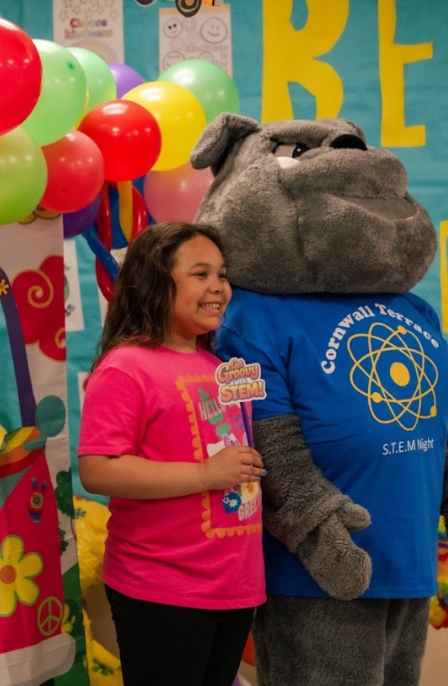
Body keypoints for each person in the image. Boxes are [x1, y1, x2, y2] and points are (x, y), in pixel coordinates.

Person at [77, 222, 266, 686]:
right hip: (162, 586)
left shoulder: (219, 367)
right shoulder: (126, 368)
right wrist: (205, 474)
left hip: (235, 585)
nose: (218, 287)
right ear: (155, 282)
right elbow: (98, 469)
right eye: (200, 274)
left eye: (222, 274)